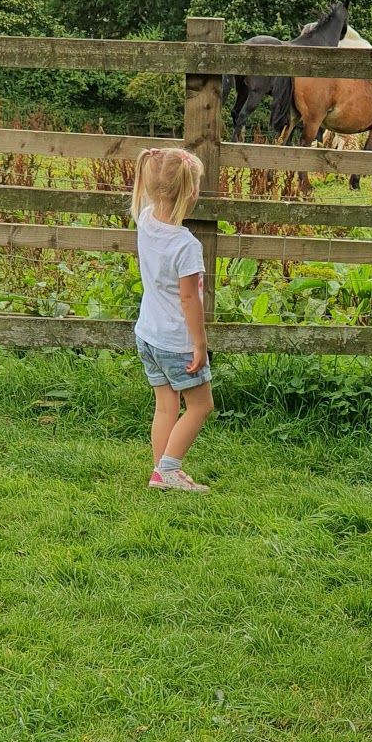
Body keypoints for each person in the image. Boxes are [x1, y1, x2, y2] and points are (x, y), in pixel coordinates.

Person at [131, 146, 214, 493]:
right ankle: (169, 468)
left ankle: (159, 472)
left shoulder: (144, 218)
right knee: (201, 406)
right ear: (192, 192)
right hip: (176, 341)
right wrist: (199, 343)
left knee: (166, 406)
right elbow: (189, 298)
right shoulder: (185, 245)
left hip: (147, 334)